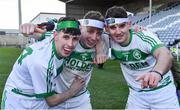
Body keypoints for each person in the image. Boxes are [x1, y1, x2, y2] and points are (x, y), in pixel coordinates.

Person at [18, 11, 107, 109]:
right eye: (90, 31)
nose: (94, 38)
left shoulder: (103, 41)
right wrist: (28, 27)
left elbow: (112, 35)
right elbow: (35, 33)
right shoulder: (65, 38)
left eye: (99, 33)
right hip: (56, 98)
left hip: (80, 100)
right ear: (81, 28)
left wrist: (100, 51)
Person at [1, 17, 85, 109]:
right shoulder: (43, 63)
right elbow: (51, 101)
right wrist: (73, 91)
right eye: (66, 37)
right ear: (55, 35)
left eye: (75, 39)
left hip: (35, 97)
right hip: (17, 102)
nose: (70, 44)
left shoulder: (49, 34)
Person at [105, 6, 180, 109]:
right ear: (107, 29)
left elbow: (165, 54)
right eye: (113, 27)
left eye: (122, 26)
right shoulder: (107, 41)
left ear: (129, 25)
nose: (118, 32)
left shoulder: (142, 36)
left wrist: (156, 72)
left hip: (162, 92)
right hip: (136, 96)